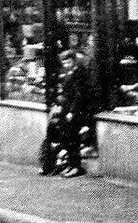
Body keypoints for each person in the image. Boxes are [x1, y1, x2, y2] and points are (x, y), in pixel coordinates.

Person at [39, 49, 97, 178]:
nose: (66, 65)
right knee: (65, 136)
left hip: (76, 112)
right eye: (64, 62)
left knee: (72, 138)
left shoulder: (80, 73)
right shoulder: (67, 73)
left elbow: (79, 95)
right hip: (66, 110)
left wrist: (72, 111)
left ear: (74, 61)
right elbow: (65, 92)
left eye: (69, 62)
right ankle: (68, 164)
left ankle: (76, 166)